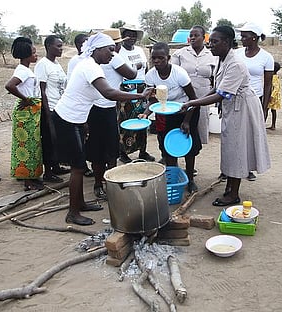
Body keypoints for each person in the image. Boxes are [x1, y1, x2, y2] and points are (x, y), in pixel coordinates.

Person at [52, 33, 152, 226]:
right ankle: (72, 213)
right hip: (66, 120)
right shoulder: (90, 67)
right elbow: (109, 93)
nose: (112, 55)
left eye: (114, 51)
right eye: (110, 50)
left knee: (79, 166)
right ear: (97, 49)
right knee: (78, 167)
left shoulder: (91, 65)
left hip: (76, 120)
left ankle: (80, 203)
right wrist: (139, 96)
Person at [181, 26, 271, 206]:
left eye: (215, 41)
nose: (210, 44)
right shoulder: (223, 60)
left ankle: (233, 194)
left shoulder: (235, 64)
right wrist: (198, 100)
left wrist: (192, 103)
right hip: (234, 107)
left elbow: (221, 94)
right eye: (210, 41)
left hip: (242, 108)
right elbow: (216, 87)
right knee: (230, 147)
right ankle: (230, 187)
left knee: (237, 148)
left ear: (227, 42)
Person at [143, 42, 202, 194]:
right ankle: (173, 180)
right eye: (154, 58)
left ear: (168, 58)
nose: (156, 61)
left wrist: (187, 122)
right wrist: (146, 113)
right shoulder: (150, 75)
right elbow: (153, 100)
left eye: (160, 58)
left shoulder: (179, 73)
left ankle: (190, 179)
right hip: (165, 114)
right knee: (168, 148)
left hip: (186, 111)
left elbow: (193, 100)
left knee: (187, 147)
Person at [85, 28, 137, 200]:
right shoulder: (114, 58)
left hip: (104, 107)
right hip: (101, 107)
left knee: (108, 148)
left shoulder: (101, 58)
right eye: (119, 43)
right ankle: (101, 185)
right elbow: (131, 74)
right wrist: (136, 67)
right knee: (104, 150)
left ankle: (109, 184)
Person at [235, 22, 274, 181]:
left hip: (254, 100)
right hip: (236, 98)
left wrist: (264, 108)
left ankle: (248, 168)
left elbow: (268, 84)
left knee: (250, 136)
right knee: (234, 135)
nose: (241, 38)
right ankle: (231, 169)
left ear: (254, 37)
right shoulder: (237, 54)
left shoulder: (266, 57)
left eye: (244, 36)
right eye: (241, 35)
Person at [5, 37, 44, 191]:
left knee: (33, 145)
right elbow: (9, 86)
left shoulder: (26, 70)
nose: (36, 55)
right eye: (34, 53)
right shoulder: (22, 70)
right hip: (26, 113)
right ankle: (27, 181)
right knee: (26, 146)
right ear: (27, 54)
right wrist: (26, 99)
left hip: (30, 111)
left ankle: (32, 176)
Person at [172, 25, 217, 145]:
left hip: (204, 94)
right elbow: (173, 73)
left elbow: (215, 78)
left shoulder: (212, 55)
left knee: (199, 124)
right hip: (183, 94)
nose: (192, 38)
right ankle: (175, 151)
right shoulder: (180, 53)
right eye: (191, 36)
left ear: (203, 37)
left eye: (196, 35)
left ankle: (192, 153)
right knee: (180, 121)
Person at [34, 35, 70, 183]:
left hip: (59, 107)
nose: (61, 49)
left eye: (61, 46)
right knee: (49, 140)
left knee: (57, 139)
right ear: (48, 46)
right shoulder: (43, 65)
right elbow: (42, 90)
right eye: (58, 46)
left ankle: (56, 166)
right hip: (49, 109)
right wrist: (47, 113)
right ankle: (48, 172)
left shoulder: (56, 64)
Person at [117, 24, 155, 163]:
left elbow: (146, 68)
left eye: (134, 35)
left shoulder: (139, 50)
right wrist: (134, 67)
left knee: (142, 120)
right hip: (125, 90)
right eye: (128, 34)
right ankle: (123, 153)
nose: (131, 38)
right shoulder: (119, 52)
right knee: (125, 121)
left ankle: (142, 151)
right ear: (122, 36)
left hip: (142, 88)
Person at [67, 33, 94, 178]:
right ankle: (82, 166)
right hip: (77, 108)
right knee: (81, 137)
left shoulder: (90, 62)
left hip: (86, 106)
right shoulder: (78, 62)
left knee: (87, 135)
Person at [267, 62, 282, 130]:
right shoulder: (276, 76)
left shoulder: (273, 78)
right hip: (275, 97)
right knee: (273, 111)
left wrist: (271, 96)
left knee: (266, 109)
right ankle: (273, 125)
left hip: (272, 97)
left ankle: (263, 123)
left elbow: (276, 88)